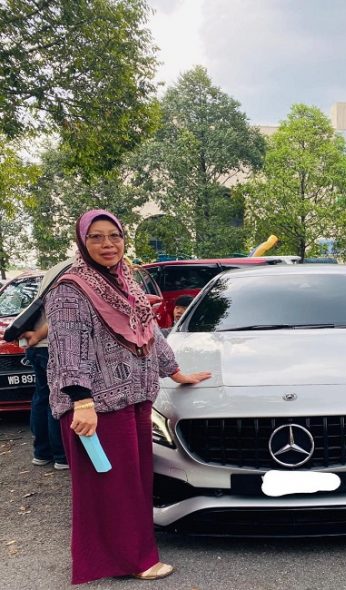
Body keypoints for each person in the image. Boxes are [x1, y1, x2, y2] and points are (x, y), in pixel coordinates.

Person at [45, 210, 212, 585]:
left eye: (114, 236)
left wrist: (175, 372)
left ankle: (133, 552)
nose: (108, 245)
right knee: (111, 487)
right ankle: (131, 560)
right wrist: (81, 401)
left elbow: (151, 334)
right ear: (82, 242)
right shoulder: (70, 289)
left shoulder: (126, 284)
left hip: (134, 399)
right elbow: (68, 349)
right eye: (96, 237)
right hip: (95, 407)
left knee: (134, 483)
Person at [22, 260, 72, 470]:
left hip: (37, 347)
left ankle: (42, 453)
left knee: (42, 397)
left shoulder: (56, 268)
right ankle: (61, 456)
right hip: (52, 343)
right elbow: (62, 313)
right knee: (58, 399)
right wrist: (37, 336)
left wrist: (34, 339)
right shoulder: (77, 269)